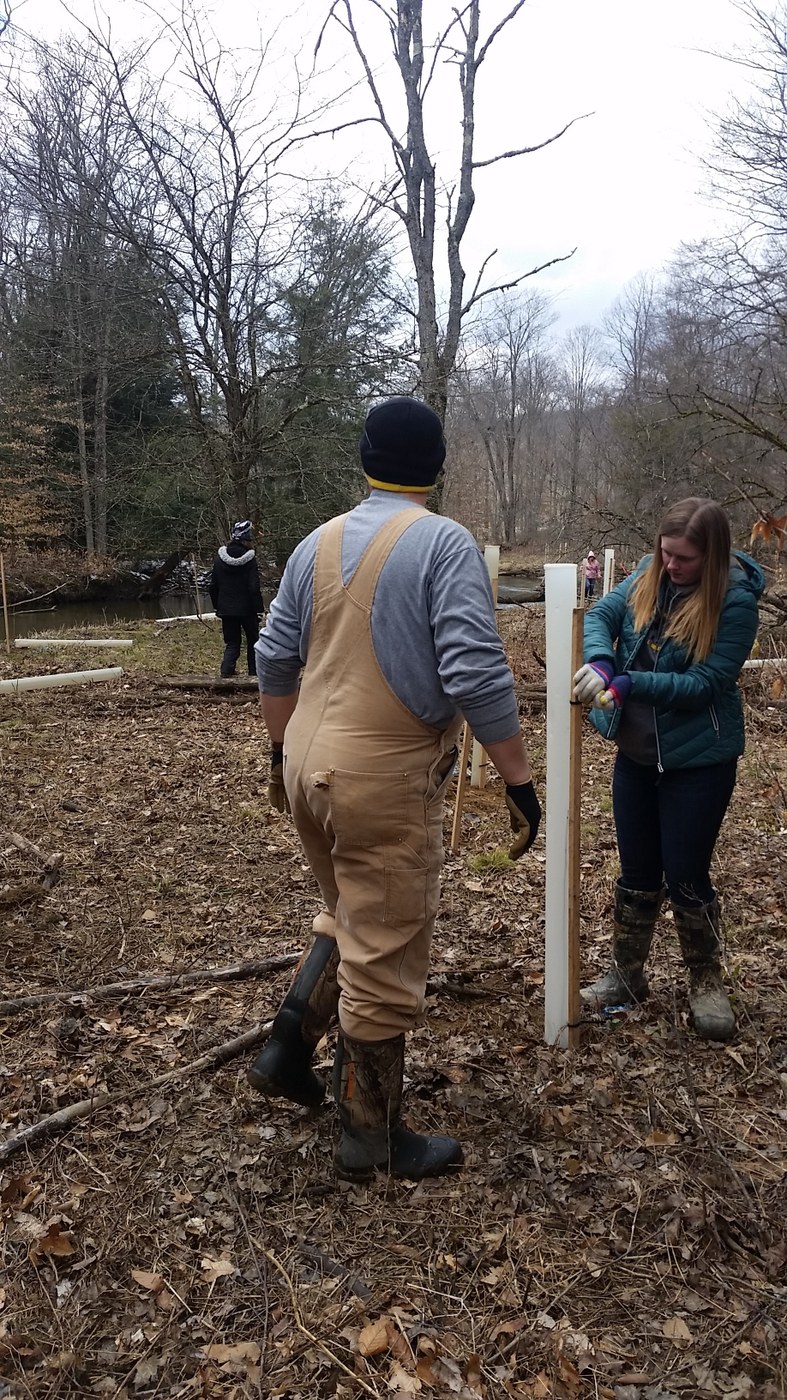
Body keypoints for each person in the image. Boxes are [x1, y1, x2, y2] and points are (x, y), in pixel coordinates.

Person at [247, 396, 541, 1181]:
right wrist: (518, 780)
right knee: (386, 944)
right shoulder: (442, 544)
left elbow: (273, 658)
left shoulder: (318, 540)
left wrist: (280, 750)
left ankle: (284, 1050)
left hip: (308, 753)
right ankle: (368, 1138)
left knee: (349, 907)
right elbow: (474, 671)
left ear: (364, 460)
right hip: (380, 769)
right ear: (437, 469)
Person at [572, 498, 764, 1042]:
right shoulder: (649, 571)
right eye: (666, 553)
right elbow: (604, 613)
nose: (672, 566)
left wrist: (631, 684)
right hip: (636, 756)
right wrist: (603, 661)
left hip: (699, 761)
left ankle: (705, 981)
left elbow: (707, 684)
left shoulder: (735, 601)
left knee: (685, 873)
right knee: (636, 871)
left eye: (685, 559)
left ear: (712, 556)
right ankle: (627, 977)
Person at [208, 520, 265, 678]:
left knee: (232, 642)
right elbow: (253, 587)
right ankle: (254, 673)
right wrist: (259, 609)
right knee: (253, 641)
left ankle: (226, 670)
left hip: (226, 609)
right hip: (247, 610)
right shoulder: (250, 559)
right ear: (247, 539)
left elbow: (213, 586)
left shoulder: (220, 559)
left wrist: (217, 607)